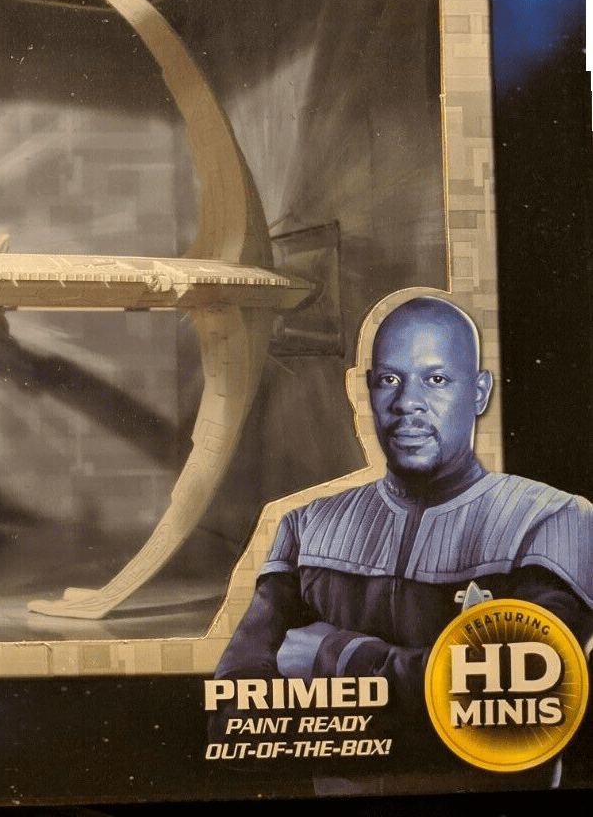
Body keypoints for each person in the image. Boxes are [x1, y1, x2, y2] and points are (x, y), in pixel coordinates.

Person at [214, 292, 593, 789]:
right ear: (368, 391)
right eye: (389, 380)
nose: (406, 403)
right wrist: (438, 686)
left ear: (479, 392)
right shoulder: (304, 527)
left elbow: (527, 708)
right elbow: (235, 724)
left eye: (436, 380)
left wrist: (335, 656)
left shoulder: (553, 521)